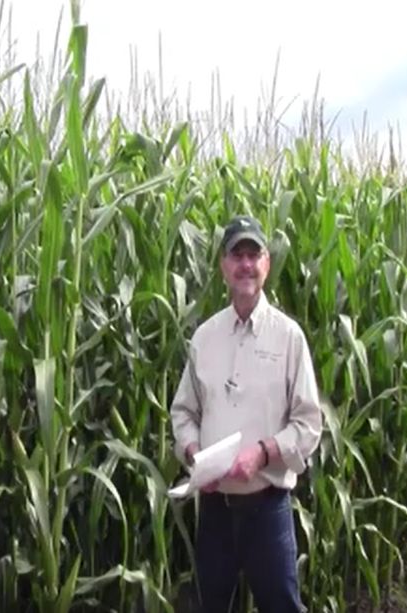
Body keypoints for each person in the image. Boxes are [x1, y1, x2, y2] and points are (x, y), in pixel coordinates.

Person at [170, 215, 322, 613]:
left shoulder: (289, 337)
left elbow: (309, 424)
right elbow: (183, 411)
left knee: (282, 607)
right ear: (223, 266)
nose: (245, 265)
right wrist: (193, 456)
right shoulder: (205, 337)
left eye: (253, 254)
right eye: (236, 254)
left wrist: (263, 453)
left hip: (267, 509)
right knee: (211, 606)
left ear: (267, 264)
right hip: (215, 512)